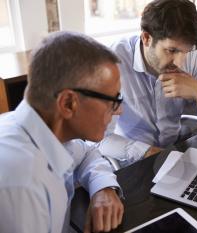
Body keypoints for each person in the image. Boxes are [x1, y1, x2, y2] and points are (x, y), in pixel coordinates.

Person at [0, 31, 124, 233]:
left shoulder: (49, 131)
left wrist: (103, 188)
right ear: (68, 103)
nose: (119, 110)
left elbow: (86, 152)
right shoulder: (21, 187)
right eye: (112, 101)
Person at [102, 0, 197, 165]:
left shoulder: (192, 56)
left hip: (175, 150)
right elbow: (97, 138)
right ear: (146, 38)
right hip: (132, 161)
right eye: (171, 50)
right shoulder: (111, 63)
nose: (180, 62)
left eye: (186, 51)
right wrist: (148, 152)